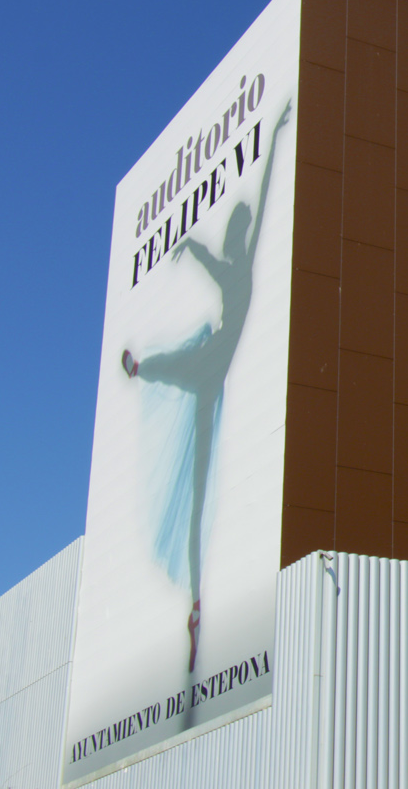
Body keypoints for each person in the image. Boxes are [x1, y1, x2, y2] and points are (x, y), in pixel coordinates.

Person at [120, 100, 291, 677]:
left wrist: (275, 130)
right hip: (209, 366)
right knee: (180, 362)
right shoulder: (231, 269)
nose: (242, 232)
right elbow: (201, 251)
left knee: (196, 494)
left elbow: (264, 197)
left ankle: (196, 603)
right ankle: (142, 368)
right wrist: (187, 247)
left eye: (241, 229)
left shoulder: (234, 268)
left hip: (211, 372)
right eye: (240, 230)